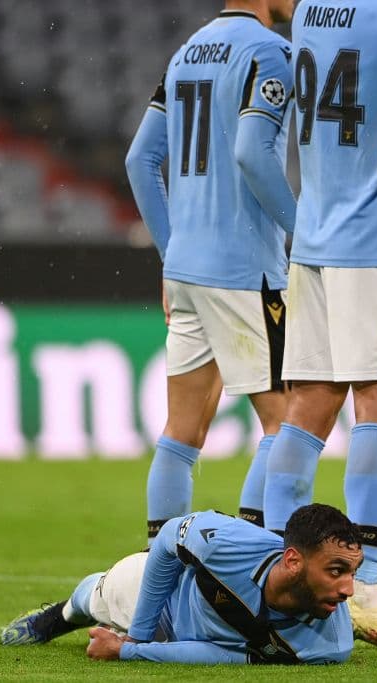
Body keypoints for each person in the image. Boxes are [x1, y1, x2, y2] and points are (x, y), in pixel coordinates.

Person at [262, 0, 377, 648]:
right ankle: (371, 588)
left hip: (316, 236)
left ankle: (276, 570)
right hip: (376, 239)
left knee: (306, 409)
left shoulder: (311, 14)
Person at [124, 0, 297, 542]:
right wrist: (301, 230)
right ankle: (248, 570)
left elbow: (139, 160)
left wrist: (172, 250)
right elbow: (251, 152)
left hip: (187, 270)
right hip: (244, 269)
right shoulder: (270, 51)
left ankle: (161, 573)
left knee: (181, 434)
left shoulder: (186, 54)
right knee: (289, 424)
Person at [0, 504, 362, 665]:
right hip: (168, 597)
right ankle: (57, 616)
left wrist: (128, 652)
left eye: (353, 573)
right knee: (98, 597)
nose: (348, 590)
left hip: (194, 637)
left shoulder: (332, 645)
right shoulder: (227, 543)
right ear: (293, 560)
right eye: (335, 571)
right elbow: (170, 536)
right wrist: (138, 637)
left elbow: (229, 657)